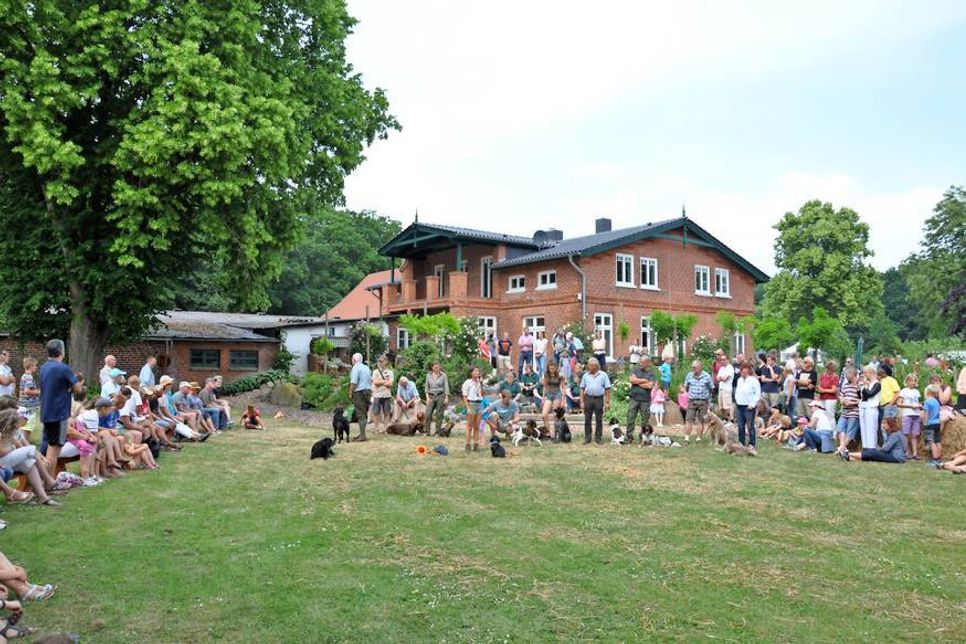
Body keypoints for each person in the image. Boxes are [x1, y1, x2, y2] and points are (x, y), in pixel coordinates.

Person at [39, 339, 82, 478]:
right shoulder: (63, 368)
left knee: (47, 447)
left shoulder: (43, 367)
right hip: (58, 413)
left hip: (46, 411)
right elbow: (78, 389)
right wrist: (73, 384)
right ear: (61, 351)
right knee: (54, 449)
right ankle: (50, 483)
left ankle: (44, 480)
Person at [0, 409, 60, 506]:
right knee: (31, 449)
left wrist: (16, 446)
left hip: (7, 462)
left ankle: (43, 497)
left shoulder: (14, 433)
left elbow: (21, 448)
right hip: (2, 462)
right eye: (19, 419)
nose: (23, 420)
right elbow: (1, 452)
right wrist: (11, 449)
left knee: (30, 463)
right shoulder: (2, 434)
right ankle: (49, 481)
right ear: (13, 423)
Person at [839, 416, 906, 463]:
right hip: (892, 455)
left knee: (873, 453)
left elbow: (885, 449)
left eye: (884, 424)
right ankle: (849, 458)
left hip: (897, 458)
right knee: (873, 453)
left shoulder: (895, 435)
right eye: (882, 423)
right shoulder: (892, 434)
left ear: (890, 424)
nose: (882, 425)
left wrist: (877, 449)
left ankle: (847, 454)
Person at [579, 358, 611, 445]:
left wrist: (607, 402)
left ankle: (598, 438)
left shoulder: (603, 375)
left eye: (589, 365)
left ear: (595, 366)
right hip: (588, 398)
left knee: (599, 419)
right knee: (587, 419)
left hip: (599, 399)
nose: (587, 366)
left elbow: (607, 389)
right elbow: (582, 388)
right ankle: (587, 438)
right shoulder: (585, 375)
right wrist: (582, 401)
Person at [627, 356, 656, 445]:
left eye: (643, 363)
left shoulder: (651, 374)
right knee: (630, 418)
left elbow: (650, 386)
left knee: (645, 420)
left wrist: (637, 382)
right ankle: (629, 437)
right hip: (634, 399)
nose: (640, 364)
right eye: (640, 362)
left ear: (648, 363)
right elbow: (631, 380)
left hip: (645, 400)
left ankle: (643, 438)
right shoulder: (635, 370)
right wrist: (643, 380)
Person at [684, 360, 713, 443]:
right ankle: (686, 438)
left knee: (700, 420)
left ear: (700, 368)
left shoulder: (707, 376)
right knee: (688, 419)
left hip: (703, 401)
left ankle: (698, 438)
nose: (693, 369)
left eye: (694, 367)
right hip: (692, 400)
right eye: (692, 367)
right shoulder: (689, 375)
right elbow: (686, 387)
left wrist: (707, 398)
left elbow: (711, 388)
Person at [733, 362, 761, 450]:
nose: (742, 372)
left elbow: (757, 394)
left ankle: (752, 443)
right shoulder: (739, 380)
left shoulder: (753, 380)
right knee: (740, 426)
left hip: (749, 407)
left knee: (750, 426)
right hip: (739, 406)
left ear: (748, 370)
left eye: (744, 370)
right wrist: (737, 400)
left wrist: (752, 404)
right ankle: (741, 442)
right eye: (741, 370)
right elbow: (737, 391)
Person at [897, 374, 923, 461]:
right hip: (907, 414)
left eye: (914, 381)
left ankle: (915, 453)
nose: (913, 382)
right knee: (906, 434)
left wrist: (919, 406)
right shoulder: (904, 391)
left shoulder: (917, 392)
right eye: (911, 380)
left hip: (916, 414)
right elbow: (899, 403)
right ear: (907, 381)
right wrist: (910, 406)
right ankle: (907, 452)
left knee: (915, 435)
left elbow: (917, 402)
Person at [835, 366, 862, 451]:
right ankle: (842, 447)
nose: (845, 375)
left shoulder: (860, 385)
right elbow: (841, 395)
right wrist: (842, 400)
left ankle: (842, 448)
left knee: (851, 431)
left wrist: (852, 403)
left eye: (846, 373)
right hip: (845, 411)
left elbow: (862, 399)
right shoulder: (845, 385)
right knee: (840, 428)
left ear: (851, 374)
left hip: (854, 412)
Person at [348, 353, 372, 442]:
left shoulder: (355, 368)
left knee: (360, 413)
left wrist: (350, 392)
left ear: (354, 359)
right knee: (364, 412)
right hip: (368, 391)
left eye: (352, 359)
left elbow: (354, 381)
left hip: (359, 392)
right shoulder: (366, 368)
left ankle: (362, 435)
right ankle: (362, 433)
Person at [540, 360, 567, 436]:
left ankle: (557, 433)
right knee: (544, 415)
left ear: (555, 367)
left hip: (557, 395)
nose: (552, 369)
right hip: (549, 395)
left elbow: (563, 388)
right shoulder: (546, 375)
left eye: (553, 367)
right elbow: (545, 387)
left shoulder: (560, 375)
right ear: (548, 368)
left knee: (555, 415)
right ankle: (548, 433)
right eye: (550, 368)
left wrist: (563, 400)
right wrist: (543, 397)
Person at [858, 366, 881, 449]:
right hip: (863, 407)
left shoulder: (877, 384)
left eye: (865, 373)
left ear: (870, 373)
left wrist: (866, 386)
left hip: (871, 408)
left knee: (871, 429)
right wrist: (860, 386)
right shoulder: (866, 383)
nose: (864, 375)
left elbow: (870, 394)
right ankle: (865, 447)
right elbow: (861, 396)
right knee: (864, 429)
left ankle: (872, 447)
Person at [461, 366, 484, 452]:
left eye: (478, 371)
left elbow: (482, 393)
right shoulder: (467, 382)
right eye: (475, 371)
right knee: (469, 426)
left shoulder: (479, 382)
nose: (477, 372)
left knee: (477, 426)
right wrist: (468, 407)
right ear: (471, 373)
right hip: (471, 403)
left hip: (479, 403)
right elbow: (464, 395)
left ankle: (476, 444)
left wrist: (482, 384)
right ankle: (467, 444)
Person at [424, 362, 449, 437]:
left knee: (439, 414)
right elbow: (426, 387)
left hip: (440, 396)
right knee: (428, 414)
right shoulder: (428, 375)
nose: (436, 368)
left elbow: (446, 386)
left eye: (438, 367)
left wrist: (446, 397)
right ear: (432, 368)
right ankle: (427, 432)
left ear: (439, 367)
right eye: (435, 367)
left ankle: (437, 432)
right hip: (431, 396)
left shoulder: (443, 375)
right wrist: (427, 397)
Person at [370, 355, 394, 433]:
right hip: (377, 395)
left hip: (387, 395)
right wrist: (384, 381)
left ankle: (385, 428)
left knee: (386, 412)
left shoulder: (390, 372)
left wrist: (380, 381)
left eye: (381, 361)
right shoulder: (375, 372)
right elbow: (375, 382)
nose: (380, 363)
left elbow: (390, 384)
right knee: (376, 412)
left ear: (386, 362)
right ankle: (376, 428)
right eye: (379, 361)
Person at [18, 357, 40, 441]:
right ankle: (24, 444)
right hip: (28, 407)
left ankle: (22, 443)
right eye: (35, 366)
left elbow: (22, 391)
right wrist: (38, 392)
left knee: (24, 425)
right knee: (27, 427)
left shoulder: (24, 376)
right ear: (30, 366)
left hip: (24, 405)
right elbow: (27, 391)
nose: (36, 367)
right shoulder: (29, 377)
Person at [877, 367, 901, 442]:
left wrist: (891, 403)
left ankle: (888, 443)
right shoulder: (879, 382)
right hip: (881, 405)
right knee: (883, 426)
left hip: (888, 405)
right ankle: (886, 442)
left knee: (887, 426)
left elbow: (897, 392)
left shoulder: (890, 380)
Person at [922, 385, 943, 468]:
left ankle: (934, 459)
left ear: (928, 392)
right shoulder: (936, 402)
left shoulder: (927, 402)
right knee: (938, 441)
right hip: (937, 423)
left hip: (930, 424)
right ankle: (939, 458)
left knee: (931, 442)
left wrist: (924, 423)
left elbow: (926, 414)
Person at [715, 353, 735, 421]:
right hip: (721, 389)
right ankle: (725, 419)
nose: (722, 361)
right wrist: (721, 378)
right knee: (721, 407)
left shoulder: (730, 368)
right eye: (721, 360)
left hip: (727, 389)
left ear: (727, 360)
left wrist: (721, 378)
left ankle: (731, 419)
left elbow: (725, 379)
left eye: (724, 359)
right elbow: (717, 378)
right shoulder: (721, 368)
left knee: (728, 406)